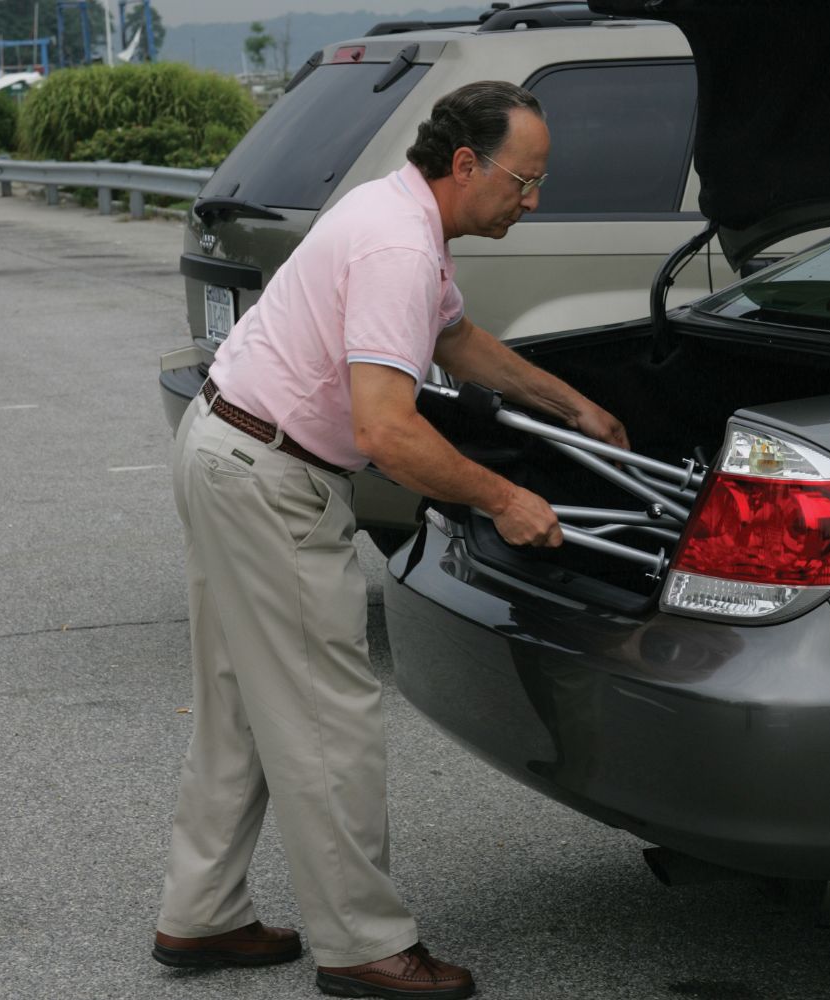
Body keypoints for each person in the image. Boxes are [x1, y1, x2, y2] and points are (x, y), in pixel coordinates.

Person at [153, 80, 629, 1000]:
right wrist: (504, 500)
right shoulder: (396, 245)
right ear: (464, 164)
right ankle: (363, 945)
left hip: (225, 445)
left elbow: (457, 338)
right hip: (270, 477)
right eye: (522, 183)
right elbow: (388, 432)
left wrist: (572, 405)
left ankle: (202, 913)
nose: (530, 202)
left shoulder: (400, 211)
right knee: (329, 718)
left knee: (243, 703)